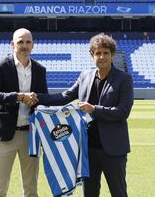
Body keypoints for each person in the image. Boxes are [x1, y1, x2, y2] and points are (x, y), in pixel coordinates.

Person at [37, 33, 134, 197]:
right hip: (87, 149)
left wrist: (94, 109)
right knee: (89, 193)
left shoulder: (124, 79)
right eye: (98, 53)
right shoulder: (85, 76)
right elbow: (66, 96)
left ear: (112, 55)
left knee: (118, 193)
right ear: (92, 55)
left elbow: (123, 112)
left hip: (114, 150)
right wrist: (38, 98)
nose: (102, 57)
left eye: (106, 53)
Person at [0, 28, 47, 197]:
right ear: (13, 44)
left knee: (31, 190)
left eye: (28, 42)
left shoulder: (40, 69)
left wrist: (38, 100)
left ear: (33, 45)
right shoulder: (1, 65)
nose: (24, 45)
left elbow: (44, 100)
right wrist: (19, 97)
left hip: (31, 135)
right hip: (4, 135)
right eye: (20, 42)